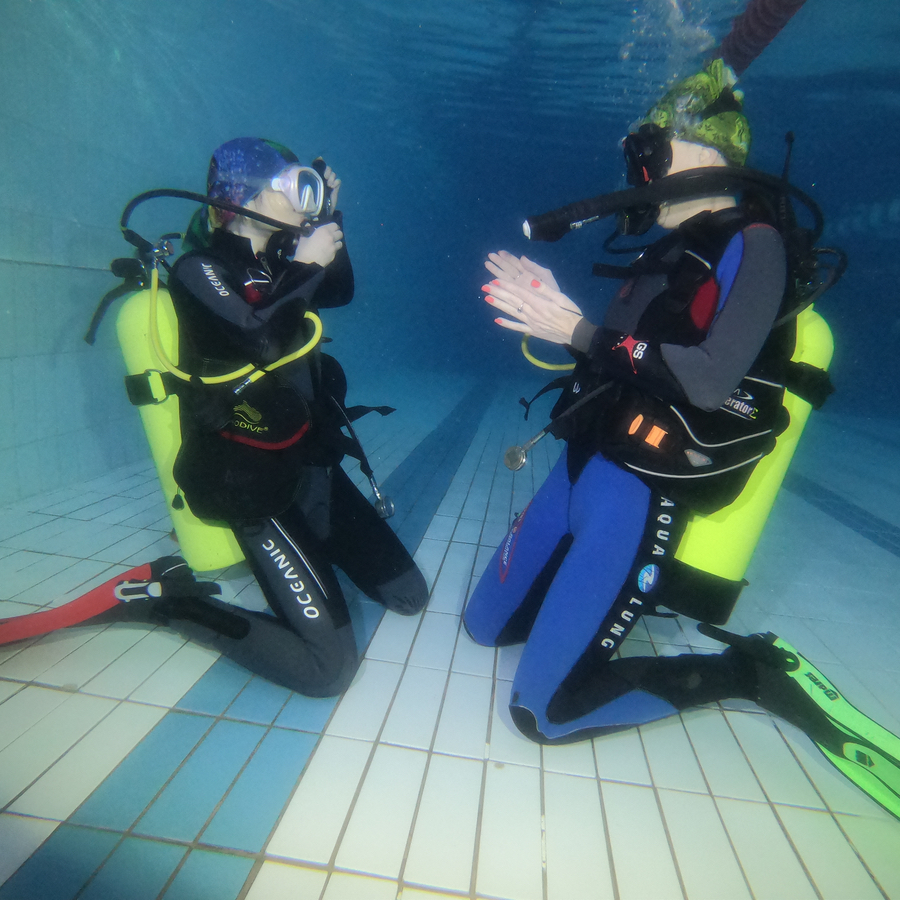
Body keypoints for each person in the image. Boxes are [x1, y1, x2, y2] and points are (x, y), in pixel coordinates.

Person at [463, 62, 900, 818]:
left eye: (654, 145)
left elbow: (702, 380)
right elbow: (621, 358)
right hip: (580, 463)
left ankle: (746, 677)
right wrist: (558, 313)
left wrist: (575, 328)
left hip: (636, 494)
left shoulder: (752, 244)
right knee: (481, 627)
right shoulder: (672, 248)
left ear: (703, 154)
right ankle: (584, 610)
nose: (640, 165)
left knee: (544, 713)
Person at [1, 138, 428, 698]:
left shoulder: (278, 260)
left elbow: (339, 290)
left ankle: (304, 557)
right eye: (296, 187)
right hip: (254, 483)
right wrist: (305, 265)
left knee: (408, 596)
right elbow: (262, 338)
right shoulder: (199, 270)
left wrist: (324, 225)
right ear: (245, 195)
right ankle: (174, 605)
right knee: (328, 672)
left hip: (309, 461)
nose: (306, 198)